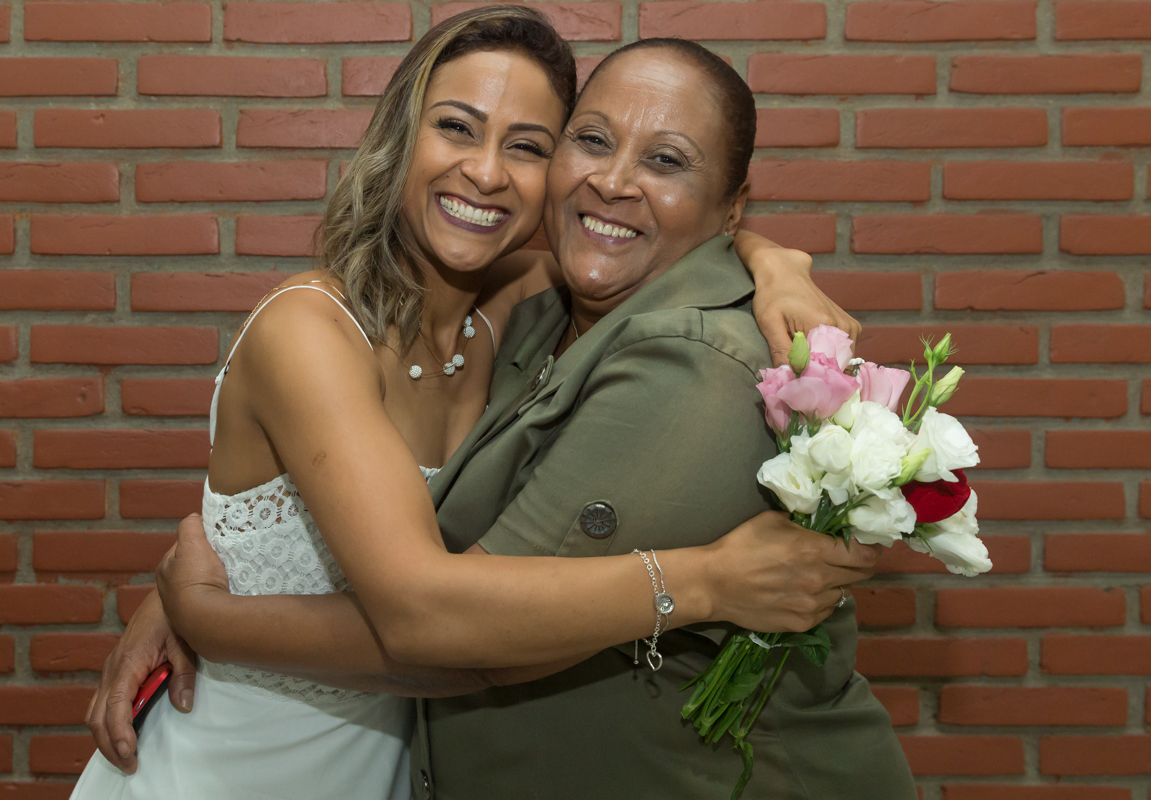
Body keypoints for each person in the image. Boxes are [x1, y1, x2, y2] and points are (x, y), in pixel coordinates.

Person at [75, 10, 890, 800]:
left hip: (393, 755)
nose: (488, 172)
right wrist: (199, 610)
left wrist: (775, 262)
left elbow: (657, 235)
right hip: (241, 756)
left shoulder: (510, 309)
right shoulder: (309, 331)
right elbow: (418, 610)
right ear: (400, 138)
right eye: (456, 128)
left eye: (527, 145)